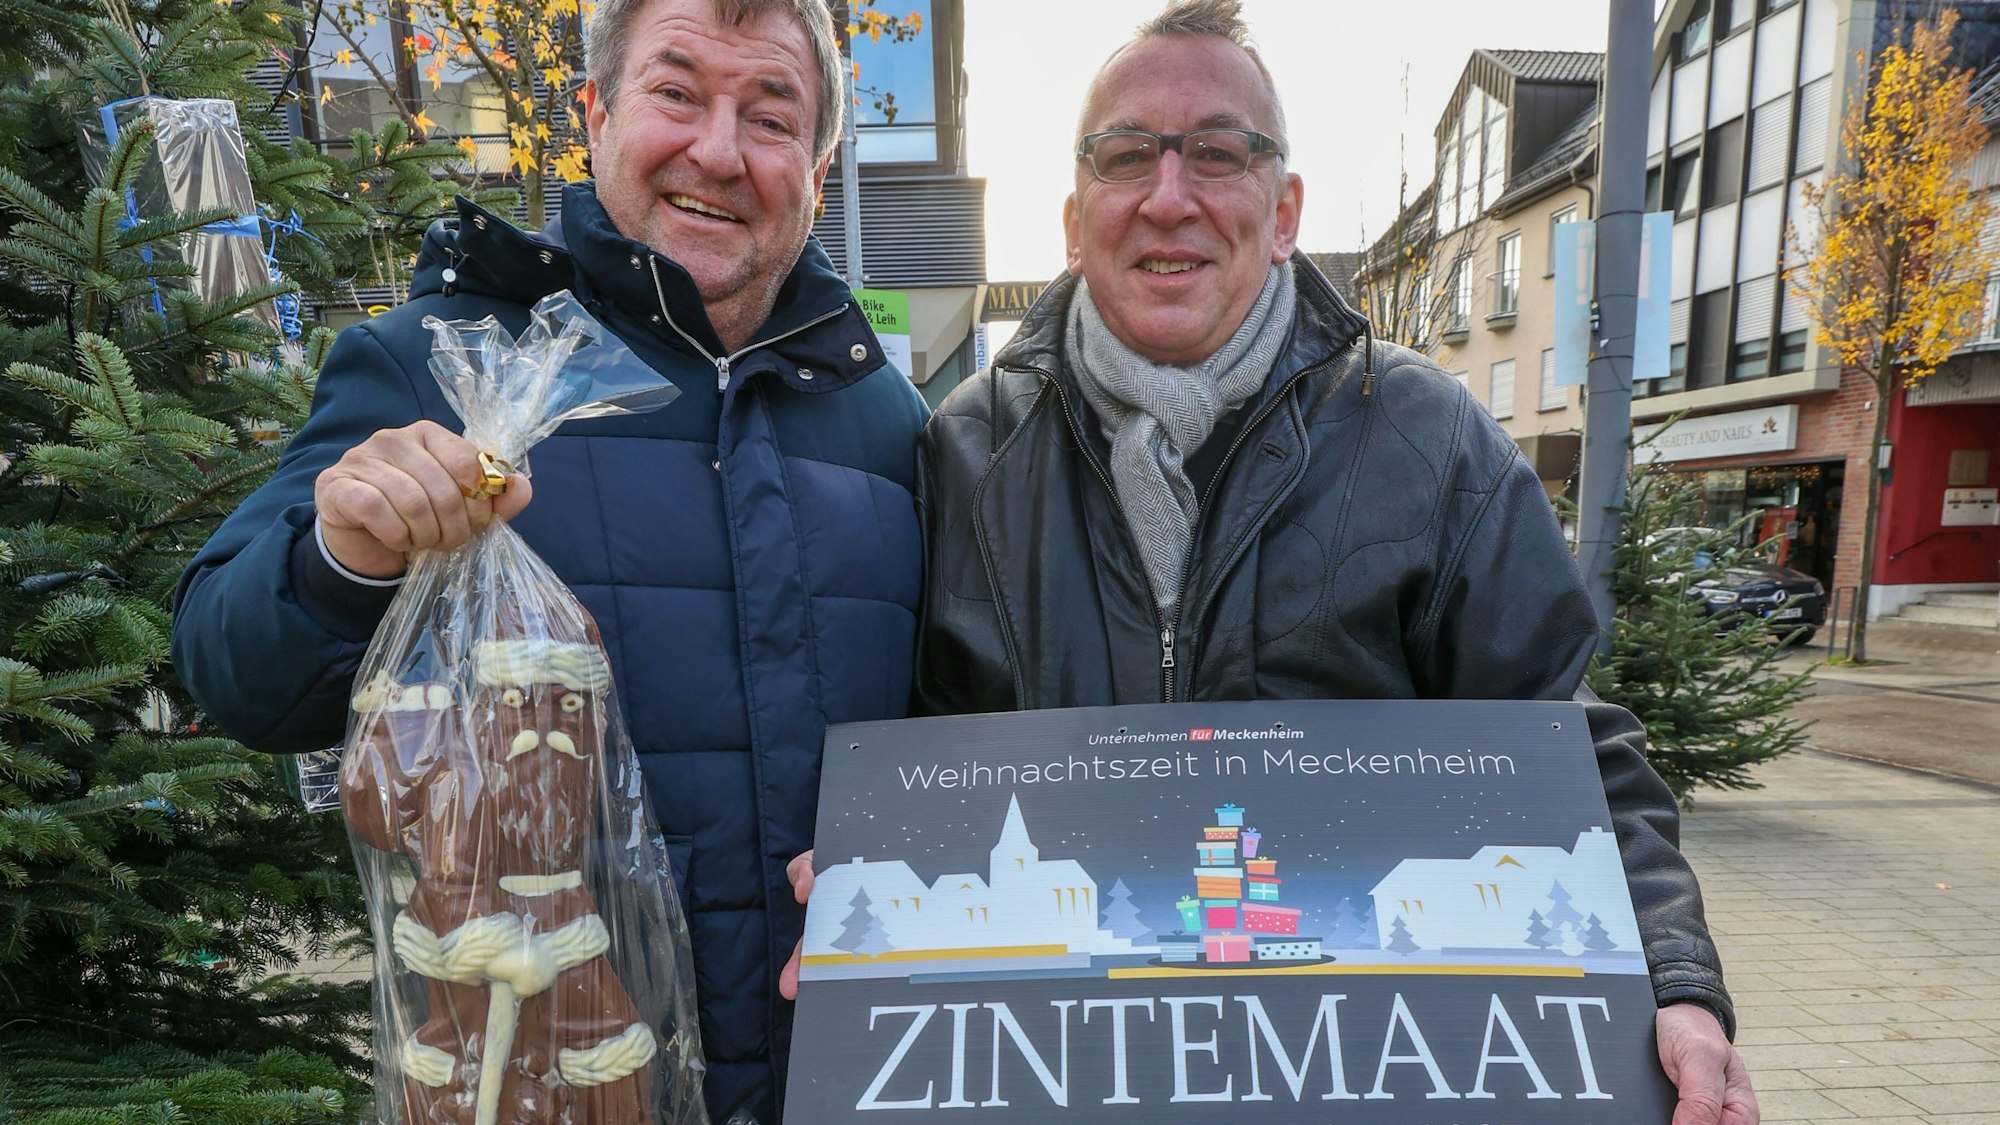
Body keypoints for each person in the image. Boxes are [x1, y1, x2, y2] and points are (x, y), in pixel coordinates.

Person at [891, 2, 1758, 1123]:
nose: (1169, 196)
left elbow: (1560, 737)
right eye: (1124, 157)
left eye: (1217, 152)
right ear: (1072, 214)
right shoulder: (966, 448)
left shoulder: (1427, 437)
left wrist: (1675, 987)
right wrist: (878, 887)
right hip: (1064, 1068)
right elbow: (920, 748)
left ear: (1284, 207)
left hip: (1353, 1077)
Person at [170, 0, 928, 1120]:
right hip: (541, 1071)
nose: (716, 151)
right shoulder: (435, 366)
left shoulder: (889, 420)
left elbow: (947, 732)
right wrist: (344, 556)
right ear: (595, 112)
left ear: (815, 163)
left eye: (769, 118)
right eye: (675, 94)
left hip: (845, 1079)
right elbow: (235, 672)